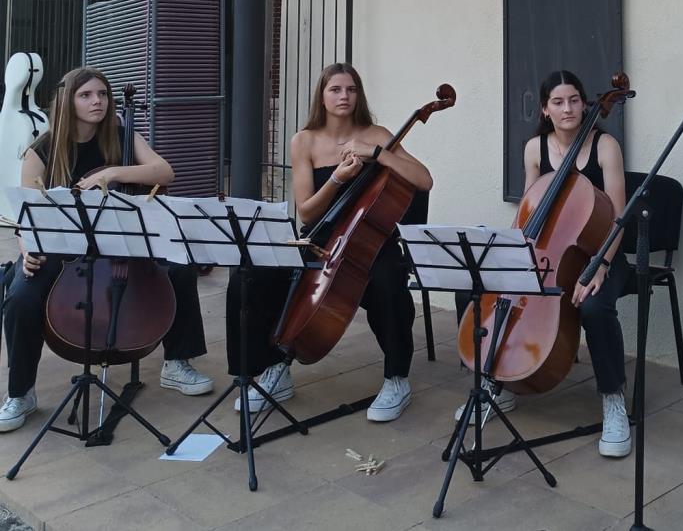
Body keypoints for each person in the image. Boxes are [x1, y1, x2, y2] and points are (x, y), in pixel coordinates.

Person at [0, 67, 214, 433]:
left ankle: (177, 363)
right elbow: (27, 214)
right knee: (21, 295)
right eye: (86, 95)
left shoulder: (121, 135)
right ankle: (21, 391)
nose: (97, 101)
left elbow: (165, 172)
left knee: (179, 267)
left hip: (121, 240)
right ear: (69, 101)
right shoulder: (42, 150)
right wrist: (28, 247)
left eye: (102, 94)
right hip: (61, 248)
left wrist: (112, 173)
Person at [226, 62, 433, 423]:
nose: (344, 96)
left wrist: (378, 153)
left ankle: (396, 377)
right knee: (251, 274)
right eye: (335, 89)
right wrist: (337, 178)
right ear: (321, 96)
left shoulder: (378, 133)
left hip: (370, 239)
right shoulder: (304, 140)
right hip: (319, 237)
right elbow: (306, 214)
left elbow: (425, 180)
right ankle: (271, 368)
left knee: (388, 282)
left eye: (351, 89)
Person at [462, 70, 632, 457]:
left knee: (595, 307)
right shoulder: (534, 149)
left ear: (586, 103)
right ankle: (495, 385)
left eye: (574, 99)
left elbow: (618, 217)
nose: (568, 108)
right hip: (550, 252)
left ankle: (613, 398)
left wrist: (601, 265)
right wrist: (508, 258)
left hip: (602, 250)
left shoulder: (605, 146)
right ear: (545, 109)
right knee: (487, 291)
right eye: (558, 102)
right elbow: (527, 211)